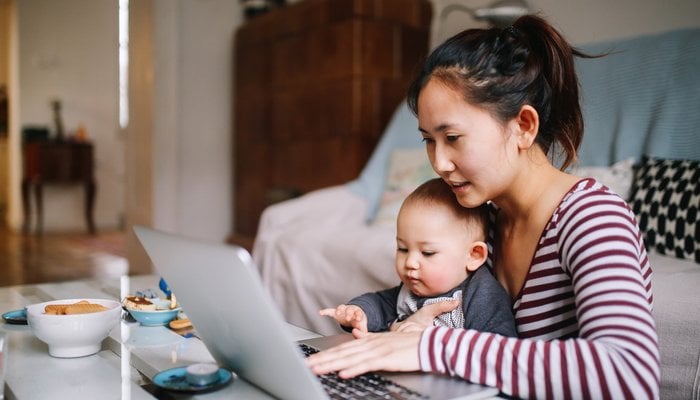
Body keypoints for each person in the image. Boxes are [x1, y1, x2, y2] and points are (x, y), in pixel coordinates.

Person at [307, 14, 660, 400]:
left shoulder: (592, 218)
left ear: (524, 126)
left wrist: (434, 347)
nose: (438, 163)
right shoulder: (481, 224)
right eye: (429, 139)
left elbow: (629, 374)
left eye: (453, 137)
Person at [320, 178, 517, 337]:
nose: (410, 263)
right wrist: (358, 313)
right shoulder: (411, 289)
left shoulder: (480, 294)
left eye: (428, 253)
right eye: (403, 249)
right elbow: (380, 304)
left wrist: (433, 338)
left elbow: (497, 347)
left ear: (473, 256)